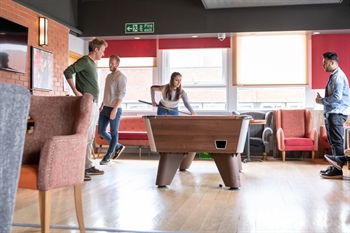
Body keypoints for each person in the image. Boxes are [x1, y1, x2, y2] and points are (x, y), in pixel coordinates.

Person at [63, 38, 108, 181]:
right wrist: (76, 92)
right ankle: (79, 169)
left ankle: (87, 165)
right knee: (85, 136)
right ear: (96, 50)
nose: (103, 54)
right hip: (87, 102)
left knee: (89, 137)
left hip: (93, 103)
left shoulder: (92, 64)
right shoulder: (85, 61)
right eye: (102, 50)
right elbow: (68, 71)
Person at [151, 72, 196, 171]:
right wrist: (153, 101)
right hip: (162, 108)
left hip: (174, 110)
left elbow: (186, 102)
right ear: (172, 80)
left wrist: (192, 111)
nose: (178, 82)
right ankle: (162, 152)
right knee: (161, 130)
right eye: (176, 80)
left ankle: (175, 152)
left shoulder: (181, 92)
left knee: (176, 130)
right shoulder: (164, 88)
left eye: (180, 80)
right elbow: (152, 88)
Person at [315, 52, 350, 179]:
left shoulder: (338, 77)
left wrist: (321, 101)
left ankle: (337, 169)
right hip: (333, 112)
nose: (323, 65)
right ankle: (335, 166)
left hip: (337, 112)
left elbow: (337, 97)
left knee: (336, 141)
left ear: (332, 62)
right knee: (333, 142)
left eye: (325, 63)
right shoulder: (334, 76)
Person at [98, 55, 127, 165]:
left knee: (114, 133)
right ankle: (118, 146)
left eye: (112, 63)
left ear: (117, 64)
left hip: (115, 108)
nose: (110, 65)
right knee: (101, 131)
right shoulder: (109, 76)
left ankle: (108, 156)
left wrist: (114, 110)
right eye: (109, 63)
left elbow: (121, 94)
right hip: (105, 107)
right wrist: (102, 104)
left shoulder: (121, 77)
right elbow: (106, 92)